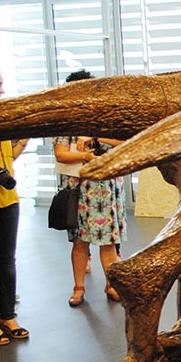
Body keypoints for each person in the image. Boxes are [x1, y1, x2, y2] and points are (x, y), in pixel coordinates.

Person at [53, 69, 128, 306]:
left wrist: (97, 137)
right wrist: (84, 155)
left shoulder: (105, 116)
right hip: (78, 188)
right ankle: (78, 288)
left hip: (105, 187)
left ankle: (111, 284)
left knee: (108, 241)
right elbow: (60, 153)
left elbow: (125, 141)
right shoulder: (65, 120)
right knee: (79, 242)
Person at [0, 61, 29, 345]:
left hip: (8, 197)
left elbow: (7, 158)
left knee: (6, 260)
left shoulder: (1, 119)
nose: (2, 91)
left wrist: (22, 140)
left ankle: (8, 316)